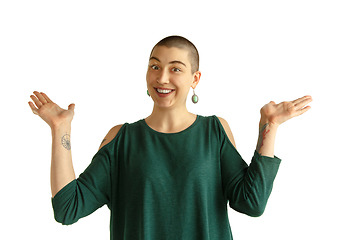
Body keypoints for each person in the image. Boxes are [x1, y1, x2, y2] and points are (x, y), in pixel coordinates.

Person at [28, 36, 312, 240]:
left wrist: (270, 125)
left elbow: (252, 202)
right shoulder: (121, 139)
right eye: (155, 66)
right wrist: (60, 129)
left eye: (175, 68)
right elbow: (67, 208)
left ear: (195, 79)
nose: (162, 78)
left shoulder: (214, 131)